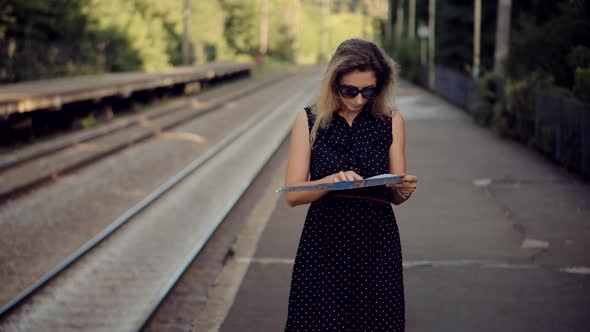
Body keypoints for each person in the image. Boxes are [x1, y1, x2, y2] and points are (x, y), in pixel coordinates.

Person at [283, 38, 418, 331]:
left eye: (369, 91)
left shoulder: (391, 120)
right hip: (324, 243)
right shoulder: (308, 120)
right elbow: (292, 194)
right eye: (349, 90)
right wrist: (329, 182)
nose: (359, 99)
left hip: (376, 245)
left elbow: (395, 194)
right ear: (333, 83)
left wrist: (403, 191)